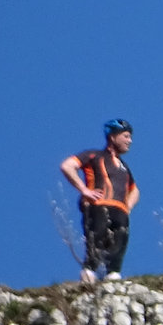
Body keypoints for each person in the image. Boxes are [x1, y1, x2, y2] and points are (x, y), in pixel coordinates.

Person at [59, 118, 142, 283]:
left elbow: (135, 190)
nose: (130, 141)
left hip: (120, 211)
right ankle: (88, 277)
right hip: (98, 206)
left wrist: (128, 207)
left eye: (130, 137)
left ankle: (113, 278)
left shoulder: (124, 166)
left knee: (119, 245)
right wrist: (84, 190)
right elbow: (67, 166)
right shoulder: (94, 155)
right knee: (96, 241)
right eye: (126, 136)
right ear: (113, 136)